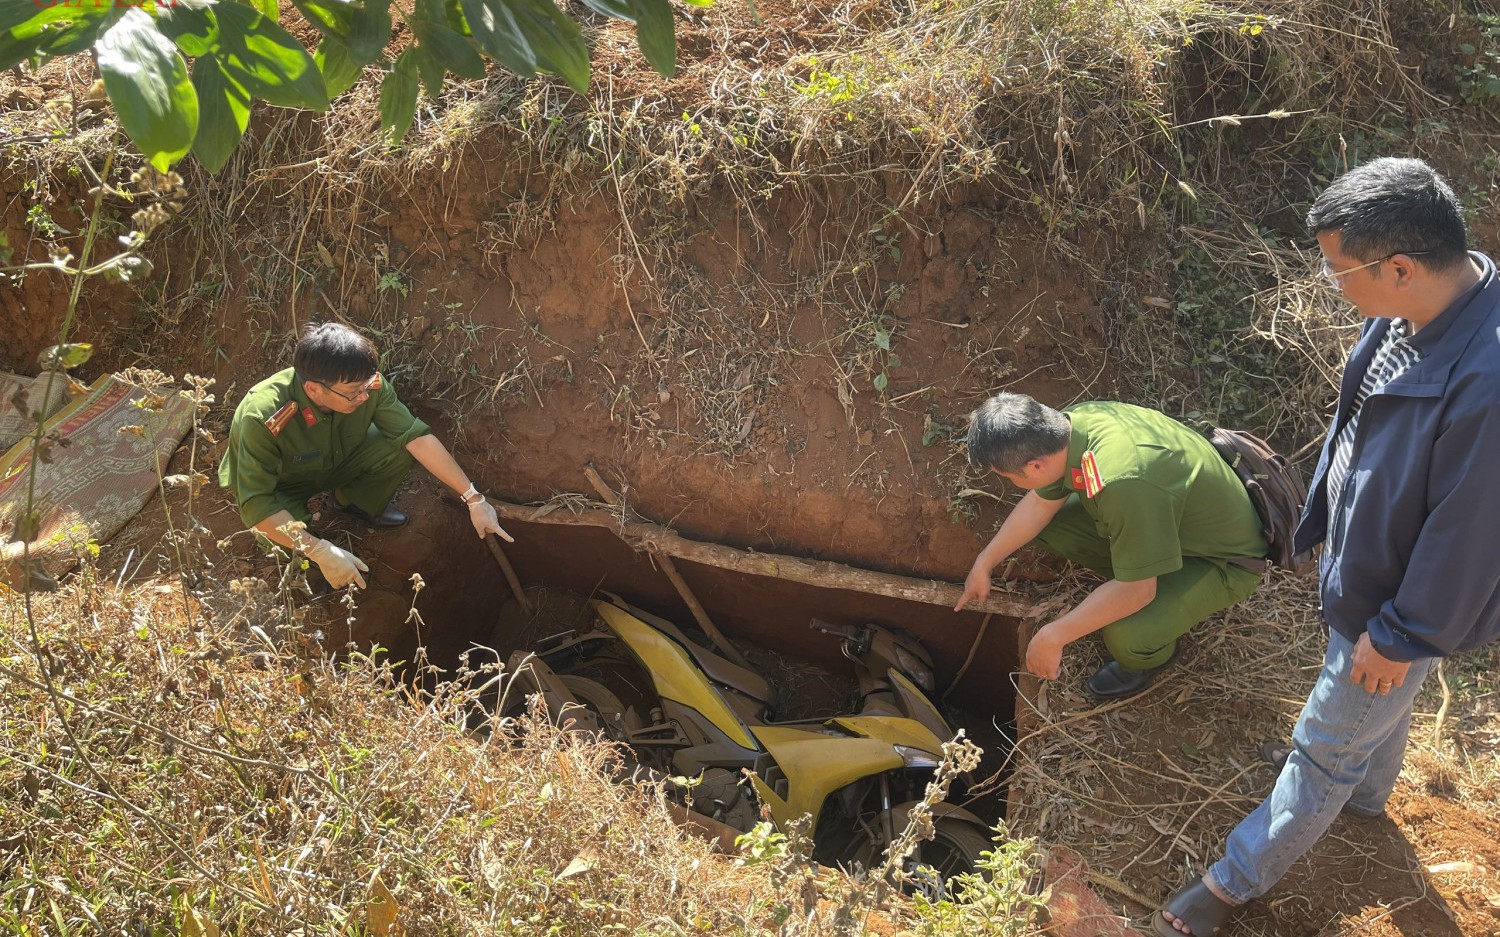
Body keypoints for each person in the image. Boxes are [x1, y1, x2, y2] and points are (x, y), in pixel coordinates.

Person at [1155, 157, 1500, 936]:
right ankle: (1370, 797)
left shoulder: (1487, 379)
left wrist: (1403, 633)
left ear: (1401, 266)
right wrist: (1324, 526)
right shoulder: (1420, 309)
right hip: (1377, 578)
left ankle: (1229, 884)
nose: (1333, 284)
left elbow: (1470, 533)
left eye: (1339, 270)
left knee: (1321, 749)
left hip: (1399, 602)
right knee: (1380, 702)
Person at [954, 392, 1267, 700]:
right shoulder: (1070, 427)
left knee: (1127, 635)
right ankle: (1137, 564)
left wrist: (1053, 636)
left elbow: (1138, 591)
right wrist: (984, 562)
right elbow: (1039, 506)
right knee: (1054, 525)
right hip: (1165, 519)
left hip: (1221, 560)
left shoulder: (1123, 480)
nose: (1011, 483)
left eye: (1008, 477)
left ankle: (1148, 658)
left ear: (1035, 466)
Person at [218, 322, 511, 589]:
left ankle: (352, 503)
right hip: (281, 487)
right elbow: (257, 504)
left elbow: (416, 437)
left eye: (366, 387)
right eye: (353, 393)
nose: (363, 397)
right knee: (294, 547)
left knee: (396, 443)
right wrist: (319, 550)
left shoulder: (366, 385)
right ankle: (311, 562)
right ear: (314, 389)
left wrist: (474, 499)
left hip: (337, 460)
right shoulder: (262, 415)